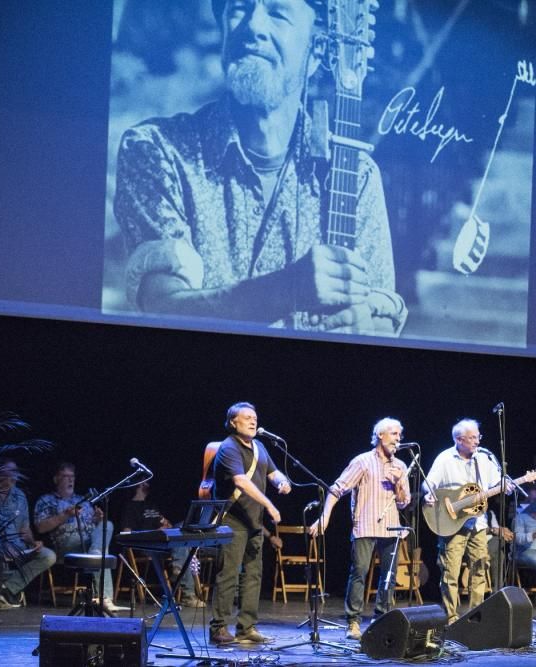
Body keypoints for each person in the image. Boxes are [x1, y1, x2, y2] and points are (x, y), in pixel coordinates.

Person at [113, 0, 406, 336]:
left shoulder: (357, 177)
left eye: (278, 12)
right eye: (239, 7)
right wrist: (285, 290)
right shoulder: (158, 150)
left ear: (317, 53)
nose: (253, 26)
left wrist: (368, 328)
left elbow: (381, 313)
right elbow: (162, 310)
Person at [308, 418, 411, 640]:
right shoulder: (363, 461)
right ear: (380, 435)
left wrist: (398, 485)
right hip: (365, 526)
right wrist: (325, 517)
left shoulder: (400, 466)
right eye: (394, 434)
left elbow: (404, 502)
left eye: (399, 435)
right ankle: (353, 622)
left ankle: (381, 620)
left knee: (389, 578)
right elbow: (337, 489)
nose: (398, 439)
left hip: (391, 529)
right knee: (359, 573)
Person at [208, 401, 291, 646]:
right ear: (233, 422)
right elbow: (241, 482)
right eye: (247, 417)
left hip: (253, 521)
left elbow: (272, 473)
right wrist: (270, 505)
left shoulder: (260, 447)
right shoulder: (228, 448)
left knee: (254, 575)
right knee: (229, 575)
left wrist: (281, 482)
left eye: (254, 417)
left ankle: (247, 627)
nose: (253, 421)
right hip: (232, 520)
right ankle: (219, 628)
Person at [423, 419, 512, 625]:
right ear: (459, 439)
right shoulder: (445, 458)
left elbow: (497, 483)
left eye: (477, 436)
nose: (476, 441)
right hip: (452, 523)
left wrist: (506, 485)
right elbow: (430, 484)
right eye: (472, 438)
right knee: (450, 572)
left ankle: (476, 616)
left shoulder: (485, 458)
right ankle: (450, 618)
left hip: (478, 523)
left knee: (480, 568)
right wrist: (428, 494)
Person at [34, 462, 125, 613]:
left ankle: (95, 554)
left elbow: (93, 525)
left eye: (72, 477)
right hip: (67, 544)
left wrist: (97, 519)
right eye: (66, 477)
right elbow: (40, 527)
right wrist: (65, 515)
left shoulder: (83, 500)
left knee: (106, 524)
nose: (70, 480)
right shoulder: (46, 500)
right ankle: (105, 598)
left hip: (89, 541)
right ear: (56, 479)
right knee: (102, 549)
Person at [0, 459, 56, 611]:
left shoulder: (19, 496)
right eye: (9, 472)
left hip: (19, 547)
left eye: (15, 472)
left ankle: (7, 588)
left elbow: (24, 528)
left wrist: (34, 543)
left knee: (48, 555)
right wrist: (4, 546)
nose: (13, 476)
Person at [119, 480, 204, 607]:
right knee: (183, 549)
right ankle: (188, 594)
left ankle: (177, 568)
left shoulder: (152, 505)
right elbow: (126, 533)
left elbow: (165, 523)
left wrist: (167, 525)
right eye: (146, 482)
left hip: (164, 543)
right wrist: (154, 532)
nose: (149, 484)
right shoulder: (130, 507)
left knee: (181, 529)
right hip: (147, 544)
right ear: (139, 485)